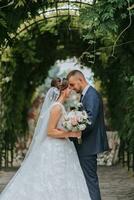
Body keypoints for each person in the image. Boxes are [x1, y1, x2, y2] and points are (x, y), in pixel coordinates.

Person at [0, 79, 91, 200]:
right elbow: (50, 131)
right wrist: (71, 133)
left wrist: (72, 127)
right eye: (69, 88)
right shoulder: (57, 108)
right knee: (53, 178)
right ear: (62, 90)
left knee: (62, 179)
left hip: (63, 146)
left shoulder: (60, 107)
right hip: (55, 148)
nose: (71, 90)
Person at [67, 70, 109, 200]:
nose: (72, 88)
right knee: (86, 181)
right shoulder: (86, 95)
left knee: (90, 182)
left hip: (88, 146)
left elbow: (89, 121)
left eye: (72, 85)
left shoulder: (91, 95)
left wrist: (71, 132)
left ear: (80, 80)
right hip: (86, 145)